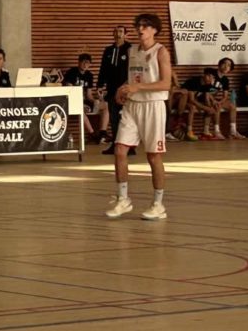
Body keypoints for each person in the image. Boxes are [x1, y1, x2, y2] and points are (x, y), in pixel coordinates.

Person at [106, 12, 171, 222]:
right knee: (119, 150)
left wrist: (138, 87)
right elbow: (132, 78)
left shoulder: (161, 52)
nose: (140, 29)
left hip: (153, 106)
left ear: (155, 30)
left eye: (145, 26)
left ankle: (158, 204)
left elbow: (166, 84)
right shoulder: (132, 50)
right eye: (139, 25)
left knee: (153, 156)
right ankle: (123, 199)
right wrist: (122, 89)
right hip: (133, 106)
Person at [98, 25, 131, 156]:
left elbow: (133, 69)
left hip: (126, 88)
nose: (118, 34)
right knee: (114, 117)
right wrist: (100, 84)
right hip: (112, 88)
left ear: (126, 34)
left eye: (121, 31)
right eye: (116, 31)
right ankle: (116, 144)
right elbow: (103, 68)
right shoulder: (108, 50)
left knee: (126, 118)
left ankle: (129, 146)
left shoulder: (130, 49)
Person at [62, 54, 104, 139]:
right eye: (83, 62)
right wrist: (81, 103)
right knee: (81, 109)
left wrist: (96, 100)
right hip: (72, 101)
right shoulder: (72, 72)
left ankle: (102, 133)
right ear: (79, 62)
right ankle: (93, 134)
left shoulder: (89, 75)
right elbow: (69, 91)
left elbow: (89, 95)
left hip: (84, 101)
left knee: (104, 106)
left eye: (87, 63)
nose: (85, 65)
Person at [216, 57, 245, 140]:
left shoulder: (225, 80)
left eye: (229, 65)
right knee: (217, 107)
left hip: (217, 100)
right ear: (219, 64)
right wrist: (215, 101)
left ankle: (233, 131)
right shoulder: (212, 74)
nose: (226, 66)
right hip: (207, 99)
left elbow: (225, 96)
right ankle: (216, 131)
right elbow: (205, 91)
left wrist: (220, 102)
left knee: (232, 105)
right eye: (224, 64)